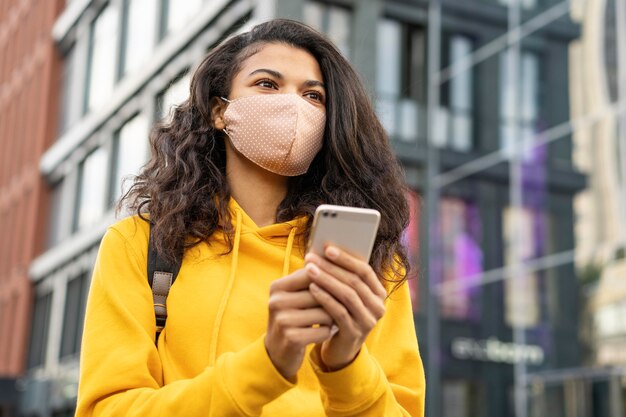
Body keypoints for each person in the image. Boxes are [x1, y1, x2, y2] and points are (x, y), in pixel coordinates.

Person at [75, 18, 425, 417]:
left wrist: (345, 364)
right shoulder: (142, 244)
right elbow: (107, 409)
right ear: (218, 112)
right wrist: (267, 362)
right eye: (267, 84)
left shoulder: (371, 260)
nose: (294, 106)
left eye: (314, 96)